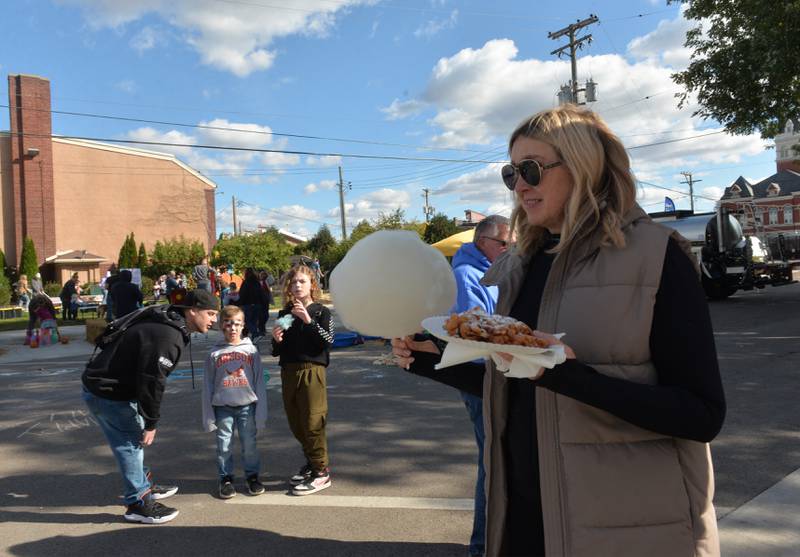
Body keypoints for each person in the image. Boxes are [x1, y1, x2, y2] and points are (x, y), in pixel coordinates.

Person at [393, 105, 725, 556]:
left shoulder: (657, 254)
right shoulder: (520, 264)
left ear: (584, 165)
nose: (520, 185)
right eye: (511, 173)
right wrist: (427, 359)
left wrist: (568, 375)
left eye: (531, 169)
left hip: (625, 530)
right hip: (524, 523)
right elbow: (516, 384)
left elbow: (701, 414)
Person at [81, 289, 219, 524]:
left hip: (104, 385)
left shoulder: (169, 322)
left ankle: (144, 485)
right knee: (130, 444)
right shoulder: (168, 336)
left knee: (132, 440)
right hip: (108, 392)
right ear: (192, 311)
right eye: (210, 313)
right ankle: (138, 503)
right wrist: (151, 422)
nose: (214, 320)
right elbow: (152, 382)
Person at [450, 214, 510, 557]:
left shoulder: (493, 270)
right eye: (503, 243)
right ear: (481, 242)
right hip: (481, 380)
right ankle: (481, 546)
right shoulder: (466, 275)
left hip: (499, 374)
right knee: (491, 461)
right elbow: (474, 334)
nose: (507, 249)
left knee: (497, 458)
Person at [271, 264, 334, 495]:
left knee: (313, 421)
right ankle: (311, 462)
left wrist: (308, 320)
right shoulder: (284, 313)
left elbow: (327, 341)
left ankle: (321, 471)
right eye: (293, 282)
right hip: (288, 371)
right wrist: (276, 340)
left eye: (302, 282)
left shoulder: (321, 311)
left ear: (312, 285)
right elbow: (277, 350)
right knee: (296, 422)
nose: (297, 286)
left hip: (312, 370)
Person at [202, 305, 268, 499]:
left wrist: (261, 414)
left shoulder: (251, 351)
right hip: (223, 407)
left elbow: (259, 384)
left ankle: (252, 476)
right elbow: (207, 386)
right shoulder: (214, 354)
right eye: (228, 324)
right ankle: (226, 479)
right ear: (221, 325)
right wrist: (208, 416)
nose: (232, 328)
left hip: (247, 406)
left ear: (243, 326)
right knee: (224, 446)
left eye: (237, 324)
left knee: (250, 445)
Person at [238, 268, 268, 339]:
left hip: (247, 304)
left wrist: (240, 303)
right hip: (257, 304)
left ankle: (255, 333)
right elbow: (261, 293)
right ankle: (254, 336)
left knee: (247, 321)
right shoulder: (256, 282)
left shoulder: (245, 282)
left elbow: (242, 294)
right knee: (254, 321)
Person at [258, 270, 274, 337]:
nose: (263, 276)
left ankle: (262, 328)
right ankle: (261, 329)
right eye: (262, 275)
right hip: (260, 301)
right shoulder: (258, 282)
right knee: (262, 316)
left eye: (264, 275)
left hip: (266, 300)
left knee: (266, 315)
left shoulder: (267, 281)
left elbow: (272, 280)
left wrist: (269, 273)